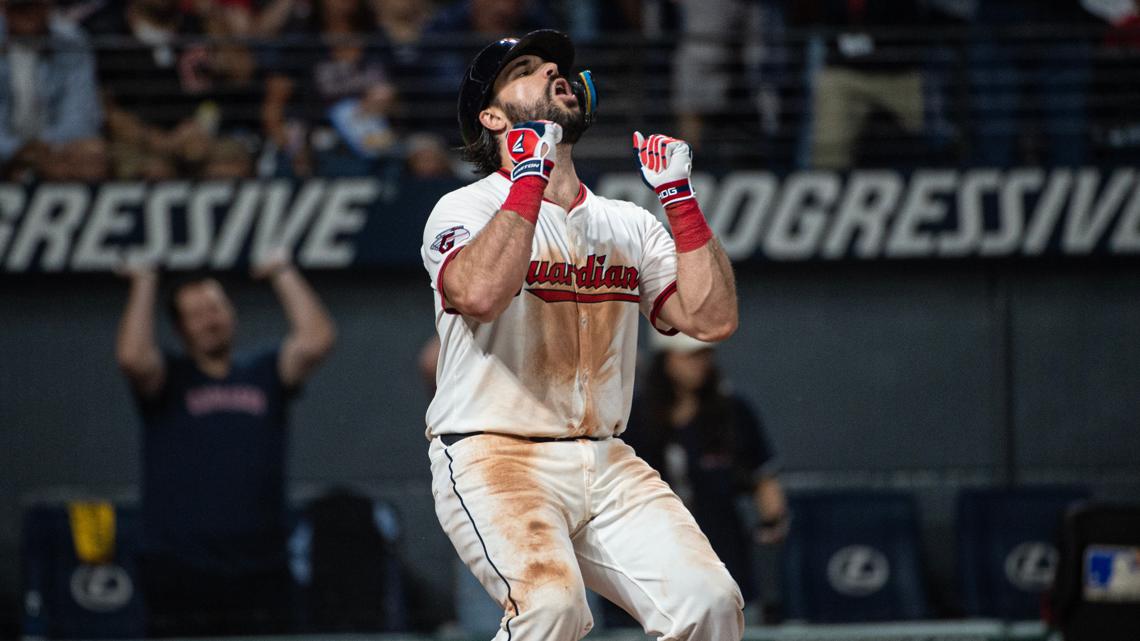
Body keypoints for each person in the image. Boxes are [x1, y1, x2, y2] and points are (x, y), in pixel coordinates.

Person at [420, 29, 743, 641]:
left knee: (709, 602)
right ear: (492, 117)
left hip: (605, 455)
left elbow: (712, 320)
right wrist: (529, 179)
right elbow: (479, 295)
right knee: (552, 610)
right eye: (526, 68)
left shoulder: (628, 222)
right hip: (496, 453)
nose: (552, 72)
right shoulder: (464, 208)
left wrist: (679, 200)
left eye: (556, 66)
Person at [115, 252, 336, 637]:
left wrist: (282, 271)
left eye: (215, 308)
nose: (210, 320)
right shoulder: (169, 378)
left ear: (232, 313)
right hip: (178, 568)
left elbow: (316, 340)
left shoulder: (264, 372)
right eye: (197, 314)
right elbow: (133, 359)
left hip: (262, 567)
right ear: (180, 328)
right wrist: (144, 282)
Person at [621, 331, 789, 622]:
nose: (700, 364)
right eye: (690, 357)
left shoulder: (732, 412)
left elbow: (765, 483)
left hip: (724, 559)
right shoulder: (633, 418)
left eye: (705, 355)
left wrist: (771, 523)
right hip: (649, 572)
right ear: (666, 360)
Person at [0, 0, 103, 180]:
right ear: (3, 8)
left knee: (91, 155)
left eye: (34, 6)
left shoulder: (71, 41)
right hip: (8, 149)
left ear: (48, 6)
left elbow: (81, 117)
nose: (28, 15)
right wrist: (19, 151)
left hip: (55, 151)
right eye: (19, 8)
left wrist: (45, 149)